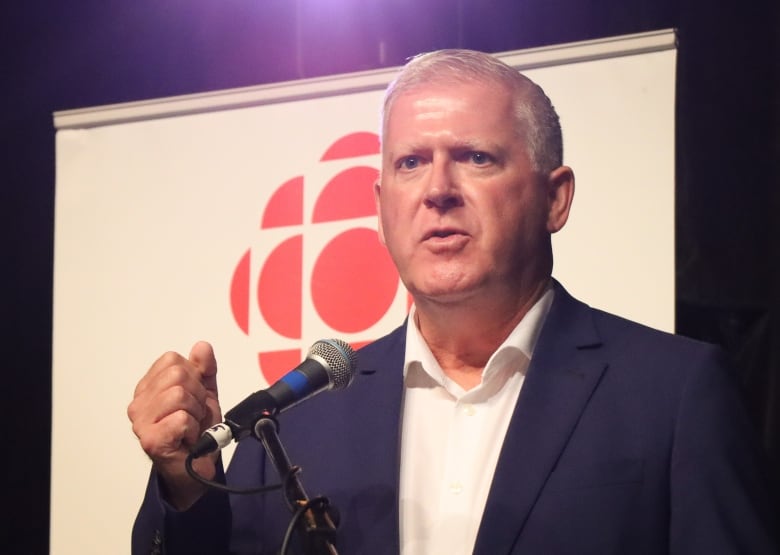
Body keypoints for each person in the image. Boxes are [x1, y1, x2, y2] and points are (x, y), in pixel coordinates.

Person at [128, 49, 777, 554]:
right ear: (382, 210)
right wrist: (190, 486)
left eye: (475, 157)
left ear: (555, 198)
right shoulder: (300, 417)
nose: (437, 189)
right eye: (410, 163)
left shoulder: (674, 395)